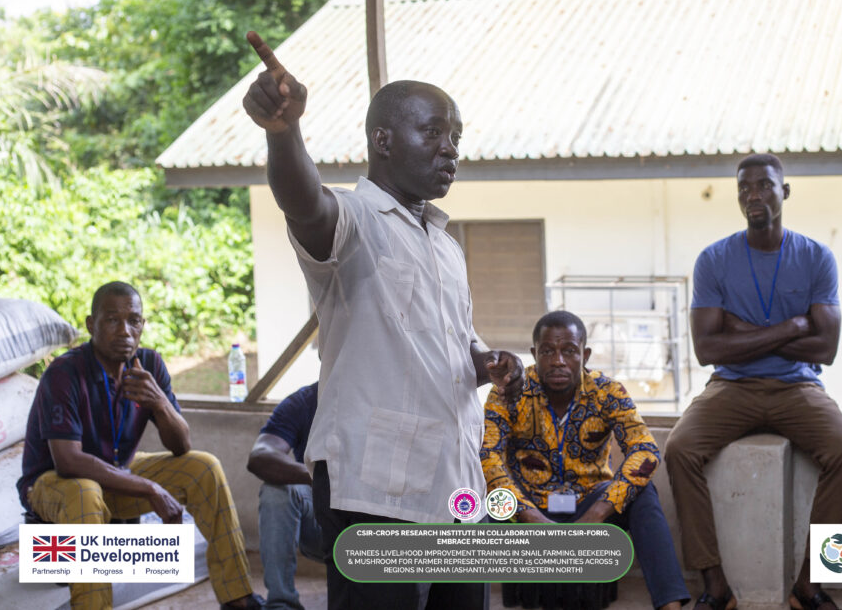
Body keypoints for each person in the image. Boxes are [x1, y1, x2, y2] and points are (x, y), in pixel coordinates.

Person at [241, 31, 524, 610]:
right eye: (433, 133)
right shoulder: (354, 219)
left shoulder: (446, 245)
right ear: (383, 140)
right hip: (376, 488)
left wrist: (490, 362)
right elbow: (303, 202)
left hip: (457, 485)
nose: (450, 149)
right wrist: (284, 132)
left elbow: (456, 346)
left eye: (456, 137)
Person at [664, 154, 842, 610]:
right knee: (679, 449)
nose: (753, 195)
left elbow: (825, 350)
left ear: (784, 192)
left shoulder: (815, 257)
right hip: (731, 387)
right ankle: (715, 586)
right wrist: (792, 327)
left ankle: (808, 586)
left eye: (764, 185)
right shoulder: (714, 259)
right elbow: (707, 350)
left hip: (798, 388)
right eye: (744, 188)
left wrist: (741, 332)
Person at [17, 281, 263, 610]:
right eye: (112, 320)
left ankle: (239, 599)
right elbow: (68, 462)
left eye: (133, 321)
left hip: (114, 475)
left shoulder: (148, 364)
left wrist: (160, 403)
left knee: (204, 466)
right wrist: (150, 489)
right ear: (91, 324)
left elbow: (182, 446)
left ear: (143, 325)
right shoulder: (65, 372)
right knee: (83, 491)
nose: (125, 331)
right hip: (55, 487)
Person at [480, 310, 690, 610]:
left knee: (643, 493)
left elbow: (645, 450)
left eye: (569, 351)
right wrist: (532, 517)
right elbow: (488, 456)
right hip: (528, 506)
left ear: (585, 354)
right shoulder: (509, 392)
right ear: (534, 354)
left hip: (590, 503)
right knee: (480, 496)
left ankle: (670, 605)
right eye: (547, 351)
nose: (558, 361)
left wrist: (596, 515)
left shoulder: (607, 391)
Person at [247, 382, 324, 610]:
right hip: (325, 522)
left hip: (383, 530)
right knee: (277, 492)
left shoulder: (390, 395)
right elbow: (260, 456)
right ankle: (281, 603)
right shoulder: (305, 401)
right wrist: (322, 478)